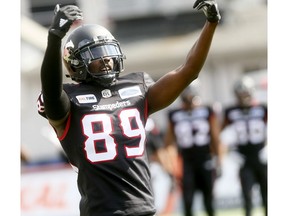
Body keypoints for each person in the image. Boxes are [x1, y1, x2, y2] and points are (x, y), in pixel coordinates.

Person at [36, 1, 221, 215]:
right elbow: (51, 93)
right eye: (94, 54)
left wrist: (211, 23)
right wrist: (54, 38)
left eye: (107, 51)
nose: (105, 59)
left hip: (142, 208)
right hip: (101, 211)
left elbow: (188, 71)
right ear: (75, 63)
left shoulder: (137, 88)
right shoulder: (69, 98)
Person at [164, 81, 223, 216]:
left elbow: (215, 138)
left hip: (205, 158)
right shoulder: (174, 114)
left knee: (209, 200)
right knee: (188, 200)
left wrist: (219, 160)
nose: (189, 98)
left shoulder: (207, 110)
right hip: (186, 160)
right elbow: (169, 143)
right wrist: (172, 166)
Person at [221, 76, 267, 216]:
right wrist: (231, 152)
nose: (243, 97)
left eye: (245, 93)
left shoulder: (263, 108)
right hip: (244, 158)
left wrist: (268, 148)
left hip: (261, 156)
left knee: (268, 194)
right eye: (240, 94)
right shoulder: (230, 111)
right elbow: (223, 134)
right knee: (247, 195)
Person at [145, 118, 173, 215]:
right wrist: (169, 171)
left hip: (135, 169)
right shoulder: (151, 133)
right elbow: (160, 152)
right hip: (150, 168)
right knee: (155, 202)